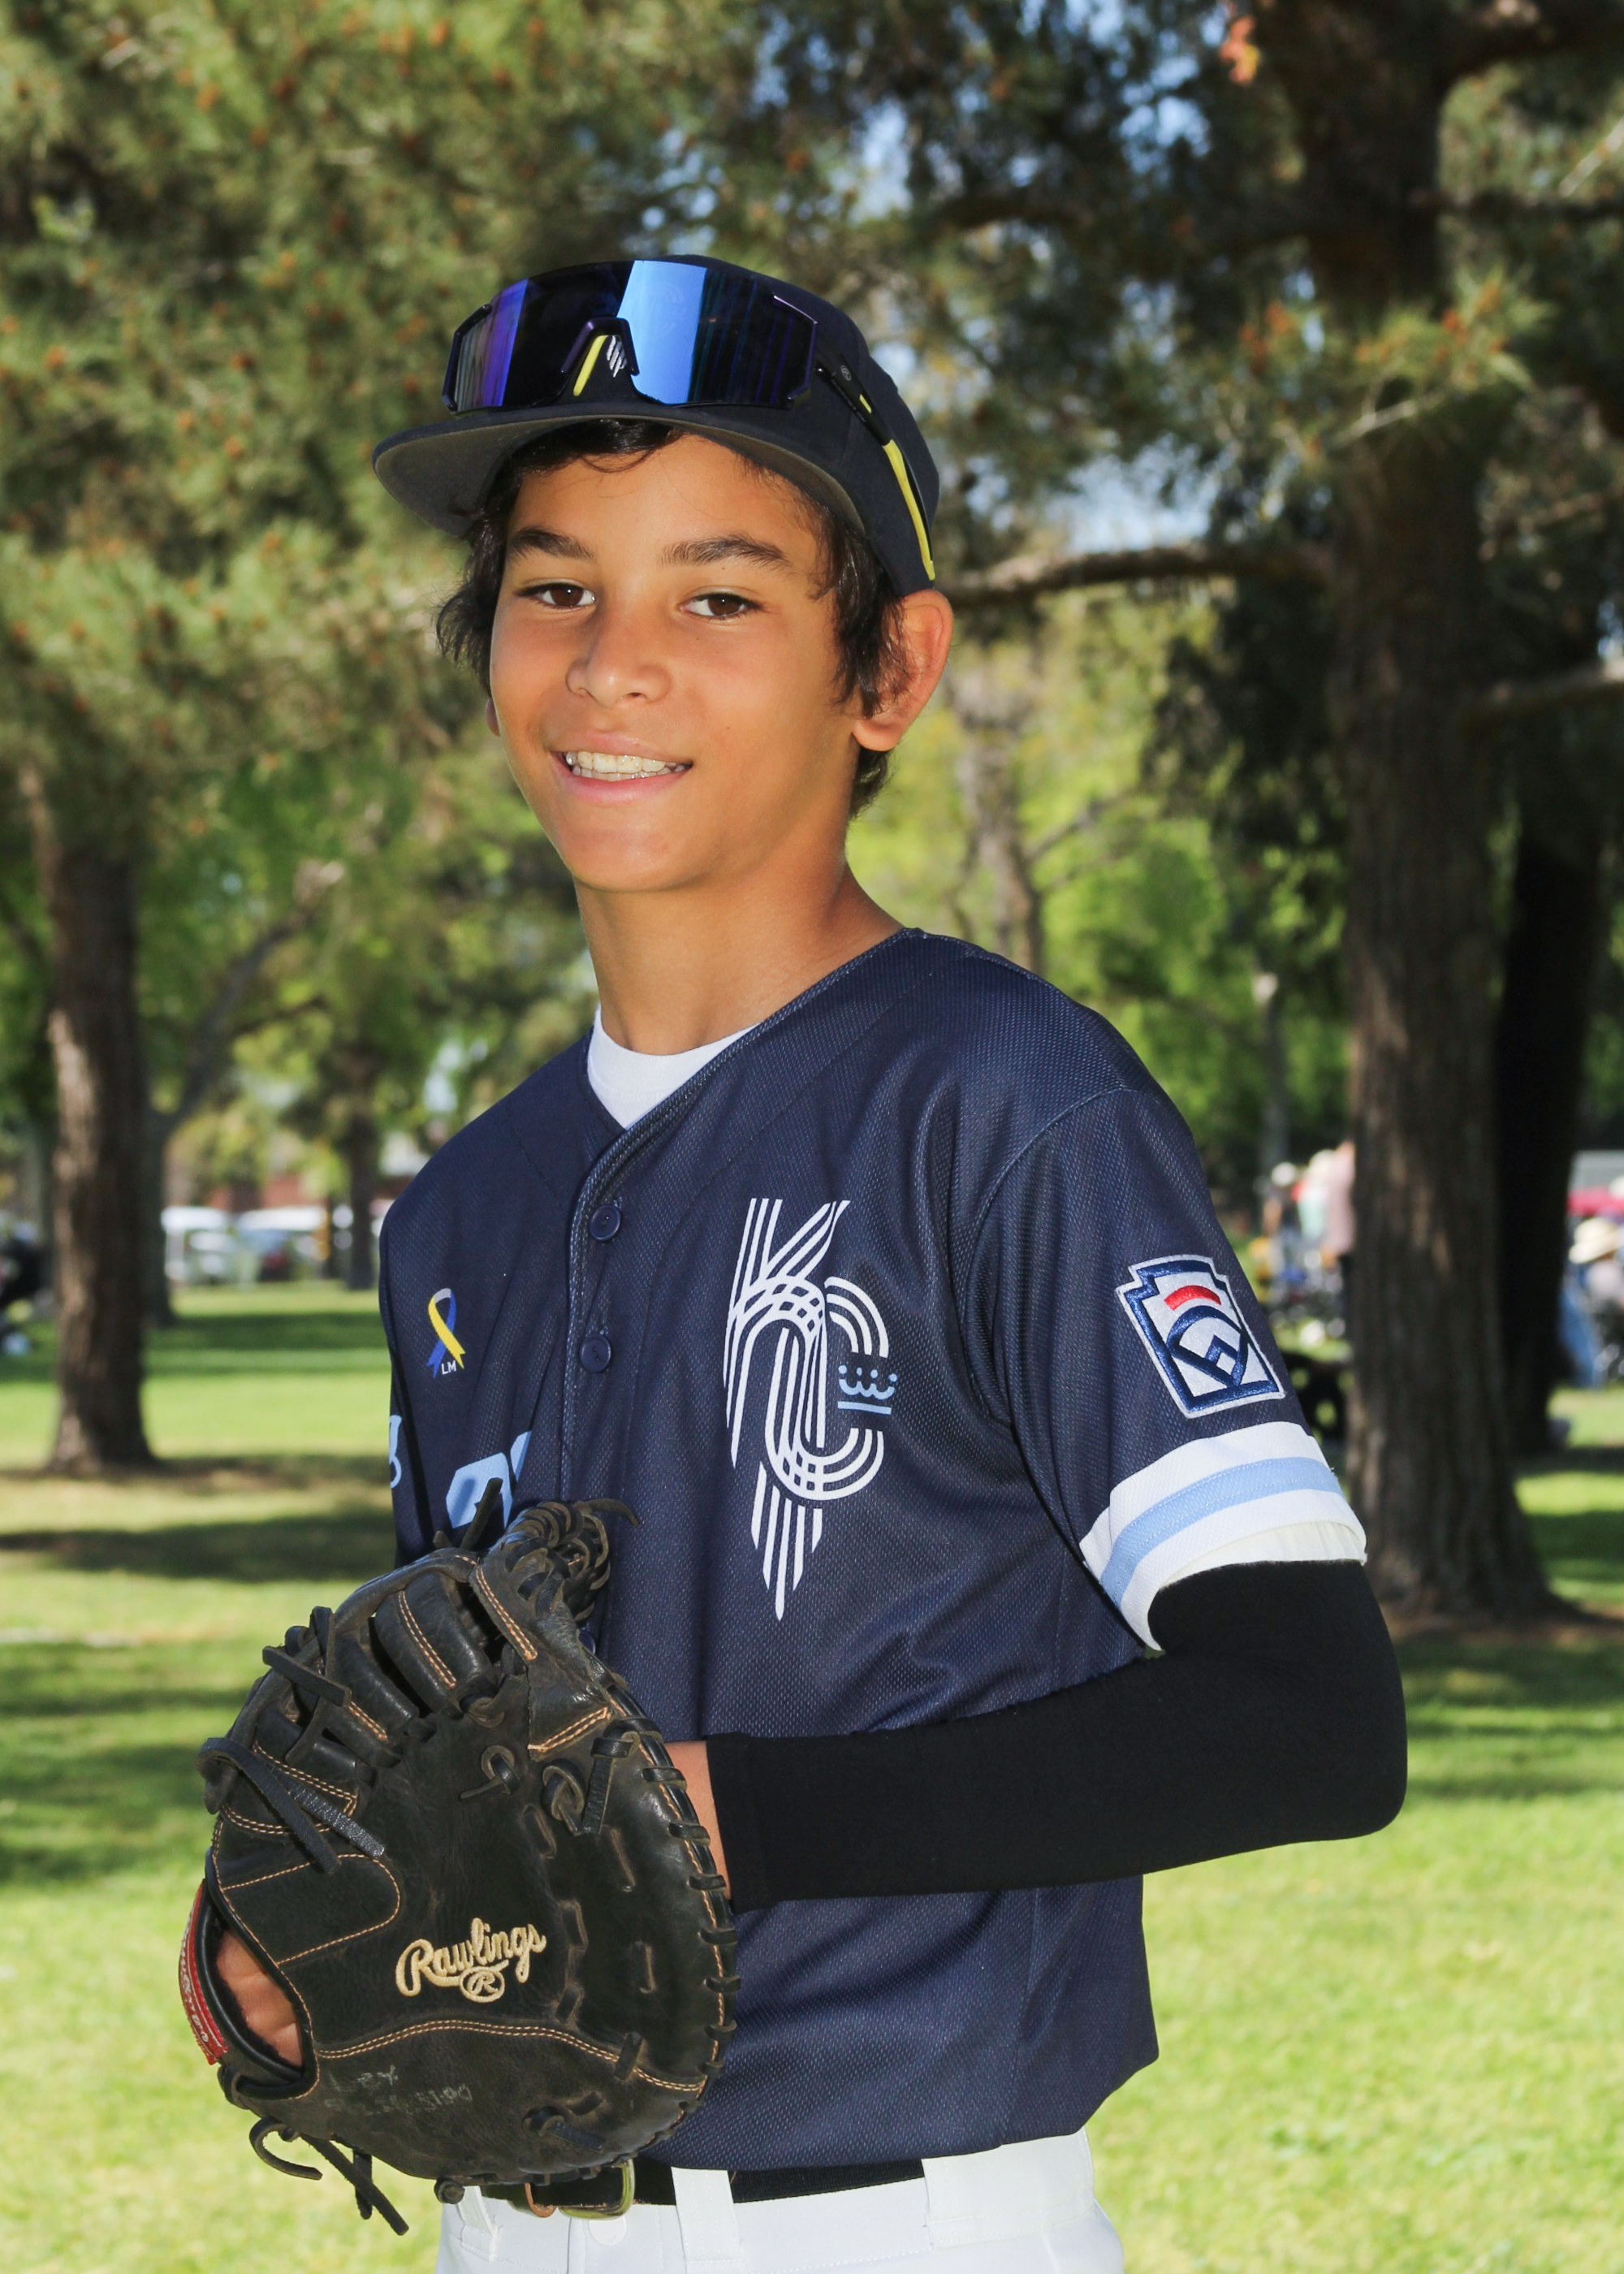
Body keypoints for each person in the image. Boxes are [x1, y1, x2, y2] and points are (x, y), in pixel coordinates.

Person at [215, 257, 1406, 2273]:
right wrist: (318, 1927)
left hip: (895, 2219)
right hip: (505, 2220)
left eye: (719, 597)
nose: (613, 665)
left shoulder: (1005, 1102)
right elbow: (464, 1760)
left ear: (891, 671)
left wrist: (727, 1814)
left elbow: (1308, 1716)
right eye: (554, 585)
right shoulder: (462, 1208)